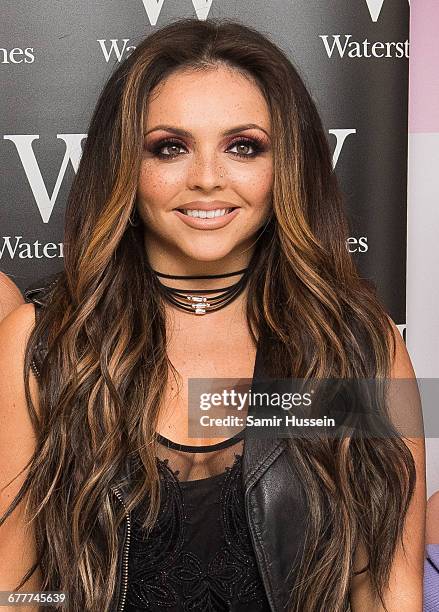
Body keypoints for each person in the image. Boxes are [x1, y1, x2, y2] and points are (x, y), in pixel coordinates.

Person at [0, 17, 425, 612]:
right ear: (124, 163)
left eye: (243, 146)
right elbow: (17, 590)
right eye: (170, 147)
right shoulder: (43, 342)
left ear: (288, 165)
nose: (205, 178)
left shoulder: (359, 346)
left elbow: (384, 586)